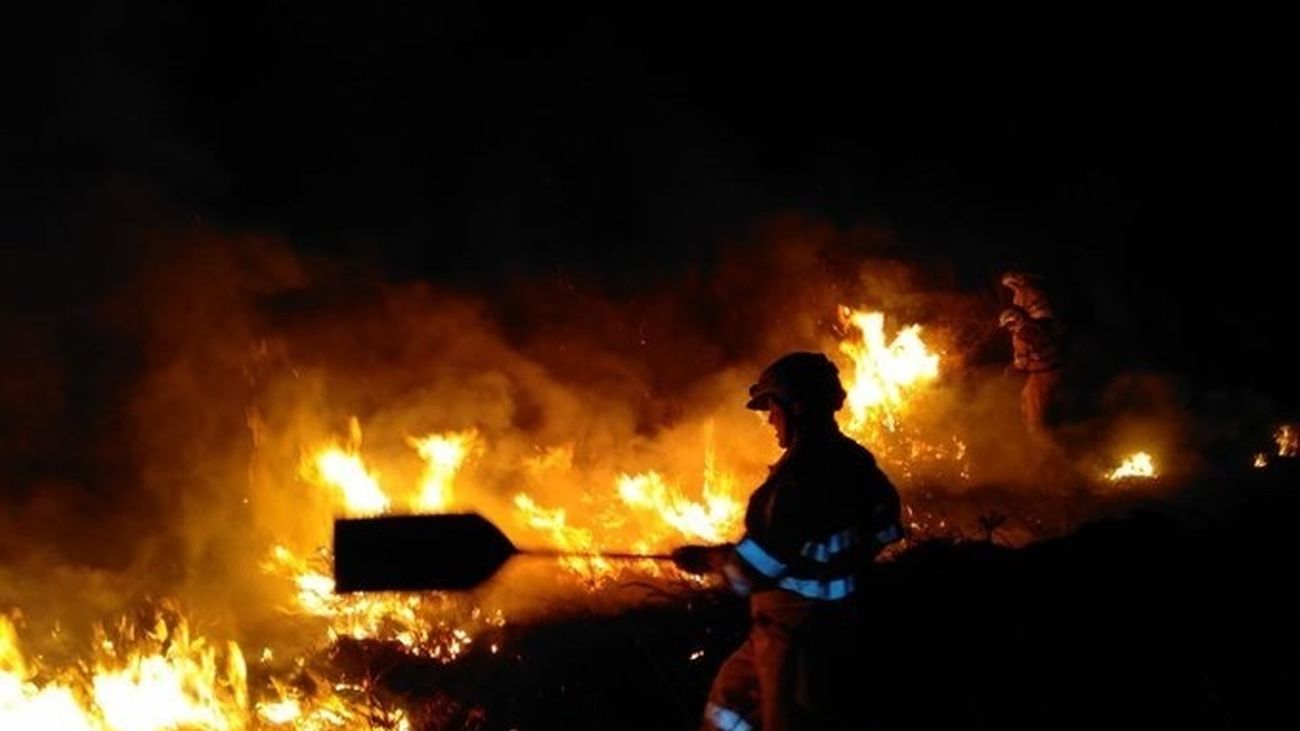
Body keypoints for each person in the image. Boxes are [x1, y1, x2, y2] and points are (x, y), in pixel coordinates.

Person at [672, 351, 903, 731]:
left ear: (795, 408)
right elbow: (887, 528)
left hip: (798, 637)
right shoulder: (856, 461)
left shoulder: (794, 482)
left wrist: (709, 559)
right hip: (815, 622)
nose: (769, 420)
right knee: (729, 704)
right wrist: (833, 560)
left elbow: (750, 573)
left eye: (772, 408)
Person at [998, 305, 1063, 441]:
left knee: (1032, 406)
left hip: (1043, 374)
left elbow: (1022, 362)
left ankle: (1039, 442)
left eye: (1008, 326)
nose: (1008, 330)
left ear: (1014, 321)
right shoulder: (1035, 326)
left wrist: (1011, 369)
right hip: (1056, 368)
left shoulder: (1020, 336)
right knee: (1031, 396)